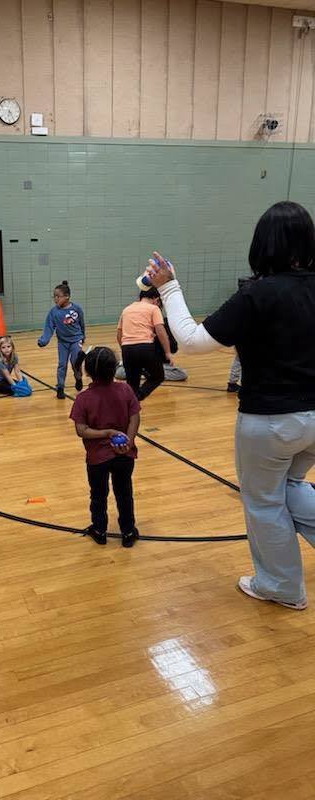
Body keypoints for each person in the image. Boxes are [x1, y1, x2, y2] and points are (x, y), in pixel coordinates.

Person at [147, 201, 315, 610]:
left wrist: (168, 287)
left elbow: (192, 340)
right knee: (291, 486)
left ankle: (281, 586)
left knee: (264, 502)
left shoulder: (258, 294)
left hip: (270, 421)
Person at [70, 347, 140, 547]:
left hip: (97, 459)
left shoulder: (83, 398)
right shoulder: (125, 390)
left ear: (88, 372)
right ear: (115, 369)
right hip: (124, 456)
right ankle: (128, 532)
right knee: (124, 493)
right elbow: (135, 417)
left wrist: (105, 433)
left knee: (98, 494)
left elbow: (81, 430)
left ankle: (99, 529)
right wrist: (129, 440)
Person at [117, 286, 174, 400]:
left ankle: (131, 409)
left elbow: (119, 333)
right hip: (145, 347)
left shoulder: (127, 309)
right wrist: (168, 352)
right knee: (158, 377)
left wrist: (125, 348)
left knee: (132, 385)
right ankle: (139, 396)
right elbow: (161, 331)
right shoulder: (153, 309)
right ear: (156, 299)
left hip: (127, 349)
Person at [37, 280, 85, 399]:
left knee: (75, 362)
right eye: (54, 297)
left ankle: (78, 378)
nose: (55, 299)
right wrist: (44, 340)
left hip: (76, 340)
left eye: (58, 296)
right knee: (62, 364)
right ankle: (60, 387)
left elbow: (82, 323)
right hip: (63, 342)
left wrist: (83, 336)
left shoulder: (77, 309)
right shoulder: (53, 312)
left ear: (67, 297)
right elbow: (49, 328)